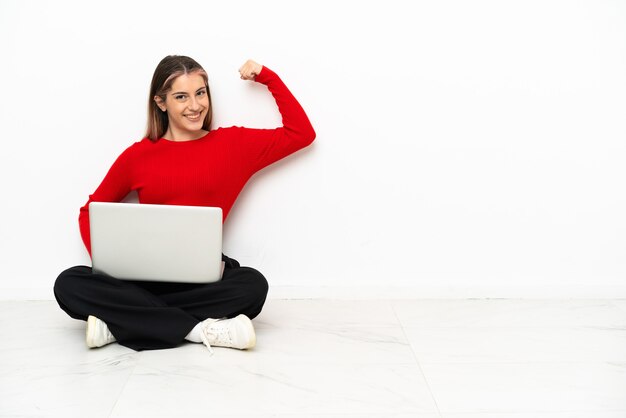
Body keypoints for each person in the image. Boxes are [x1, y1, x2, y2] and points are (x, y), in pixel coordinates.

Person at [53, 56, 315, 353]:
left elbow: (301, 134)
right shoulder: (137, 156)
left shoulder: (233, 146)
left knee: (253, 286)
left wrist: (267, 76)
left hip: (202, 277)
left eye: (200, 93)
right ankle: (200, 330)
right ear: (161, 103)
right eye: (181, 97)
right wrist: (107, 262)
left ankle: (119, 324)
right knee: (68, 283)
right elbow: (90, 211)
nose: (195, 106)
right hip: (143, 277)